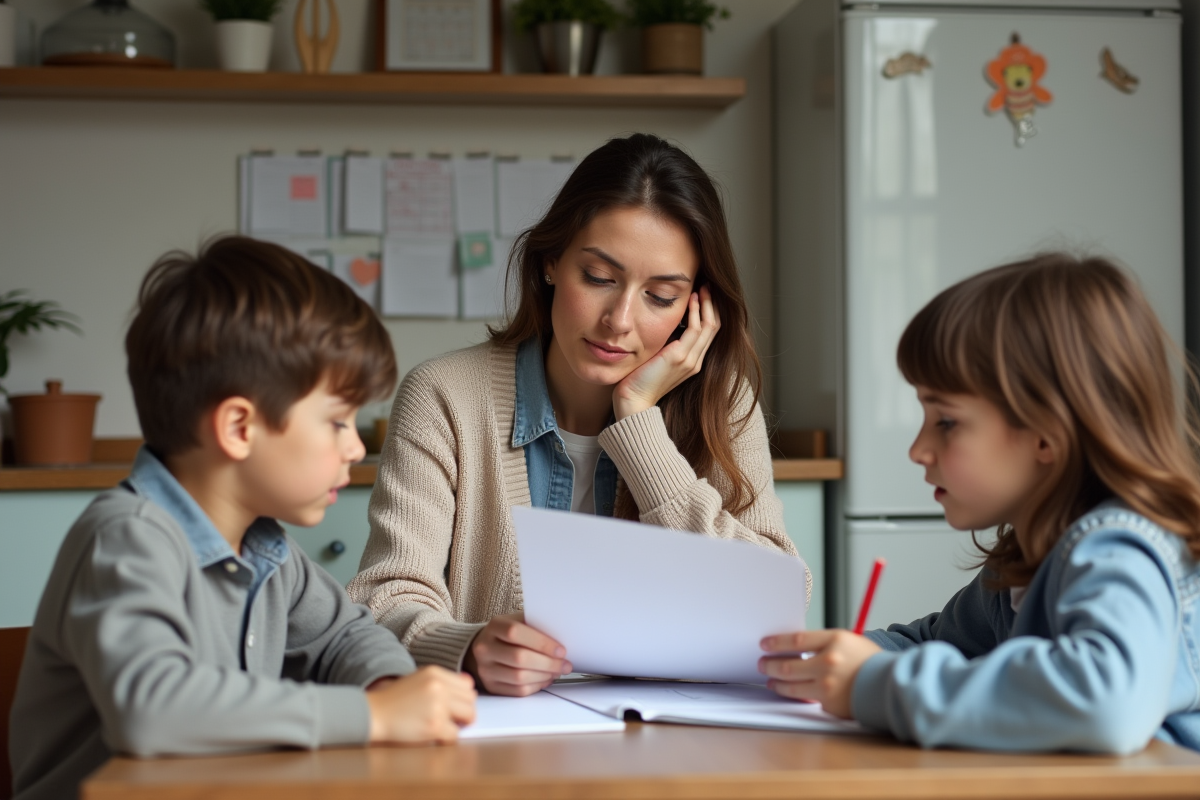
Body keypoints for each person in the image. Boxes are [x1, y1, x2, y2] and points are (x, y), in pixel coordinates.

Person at [9, 237, 476, 800]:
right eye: (337, 421)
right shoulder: (128, 537)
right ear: (238, 428)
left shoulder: (265, 549)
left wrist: (391, 686)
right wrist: (372, 715)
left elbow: (346, 635)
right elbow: (154, 710)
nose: (355, 448)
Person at [349, 133, 808, 697]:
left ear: (696, 309)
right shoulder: (444, 396)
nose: (619, 320)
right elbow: (382, 600)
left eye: (660, 296)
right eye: (598, 278)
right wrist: (466, 648)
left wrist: (639, 426)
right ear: (550, 264)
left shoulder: (725, 402)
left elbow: (775, 605)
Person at [758, 253, 1200, 754]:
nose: (918, 450)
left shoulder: (1118, 548)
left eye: (946, 421)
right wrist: (825, 662)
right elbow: (934, 645)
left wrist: (875, 683)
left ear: (1047, 435)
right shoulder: (1021, 568)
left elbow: (1107, 703)